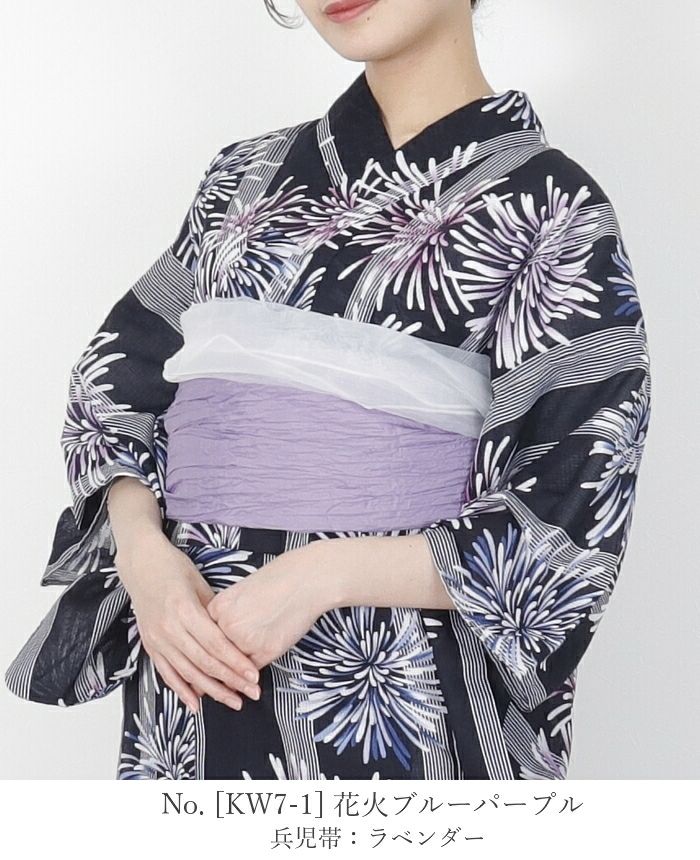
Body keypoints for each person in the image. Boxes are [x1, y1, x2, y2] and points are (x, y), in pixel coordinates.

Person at [5, 0, 651, 780]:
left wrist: (325, 575)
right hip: (191, 668)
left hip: (401, 695)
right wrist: (144, 556)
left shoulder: (554, 210)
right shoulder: (240, 180)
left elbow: (571, 515)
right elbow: (118, 377)